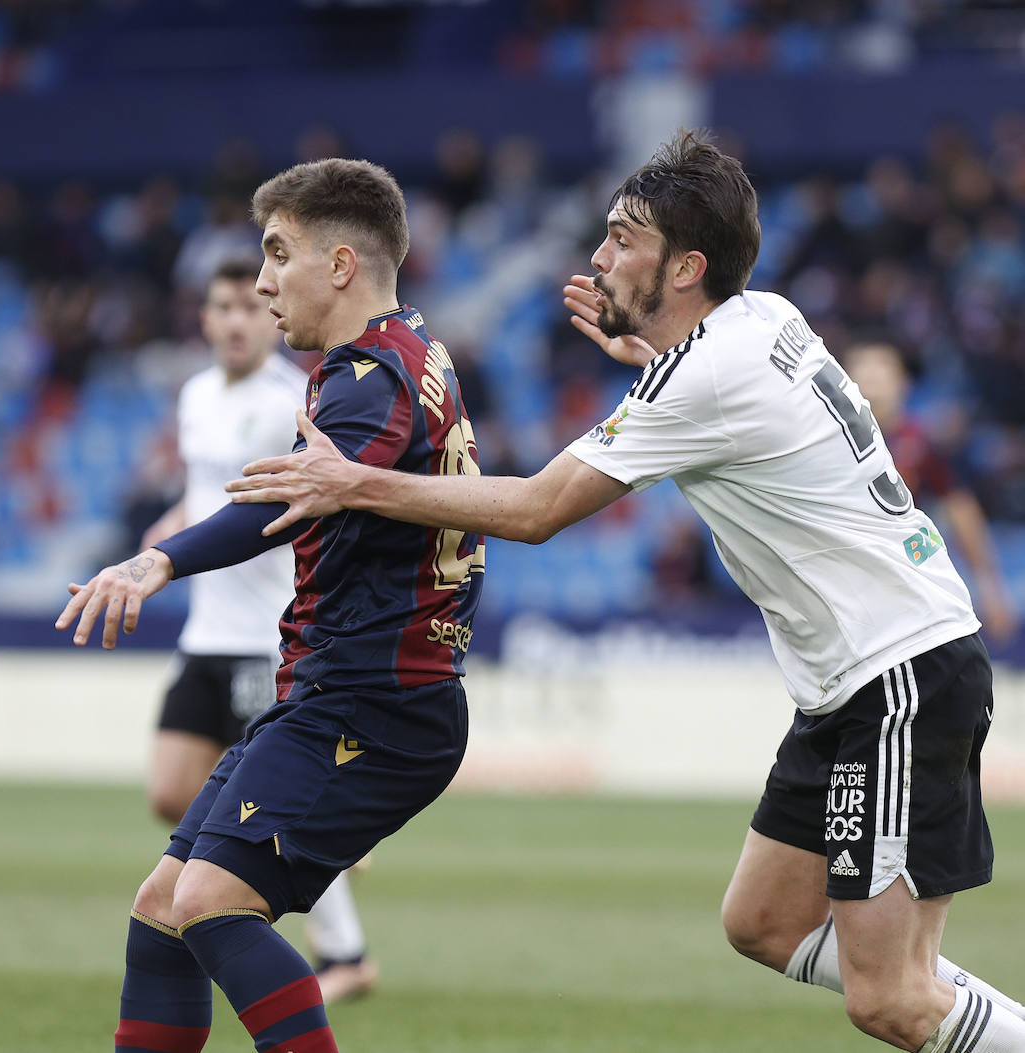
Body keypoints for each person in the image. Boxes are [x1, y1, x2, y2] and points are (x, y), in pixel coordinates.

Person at [227, 130, 1025, 1052]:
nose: (599, 255)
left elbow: (534, 510)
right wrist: (646, 360)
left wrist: (354, 482)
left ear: (685, 266)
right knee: (763, 920)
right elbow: (714, 403)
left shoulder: (701, 376)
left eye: (622, 238)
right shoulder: (761, 317)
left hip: (900, 676)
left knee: (889, 997)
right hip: (859, 679)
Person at [56, 158, 483, 1053]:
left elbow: (287, 502)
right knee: (164, 906)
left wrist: (158, 560)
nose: (260, 281)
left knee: (209, 902)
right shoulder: (408, 352)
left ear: (338, 263)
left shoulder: (367, 377)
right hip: (341, 687)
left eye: (277, 254)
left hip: (375, 697)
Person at [139, 256, 379, 1004]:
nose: (237, 319)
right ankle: (324, 848)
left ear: (268, 318)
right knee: (170, 789)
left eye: (250, 306)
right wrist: (165, 537)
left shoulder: (294, 401)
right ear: (204, 318)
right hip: (205, 631)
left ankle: (345, 953)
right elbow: (207, 494)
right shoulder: (195, 396)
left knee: (262, 810)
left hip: (267, 637)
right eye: (222, 306)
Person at [843, 341, 1017, 643]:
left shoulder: (922, 444)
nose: (870, 378)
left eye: (881, 368)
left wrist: (990, 589)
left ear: (903, 383)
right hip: (845, 587)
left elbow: (960, 510)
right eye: (861, 368)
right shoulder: (827, 444)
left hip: (909, 591)